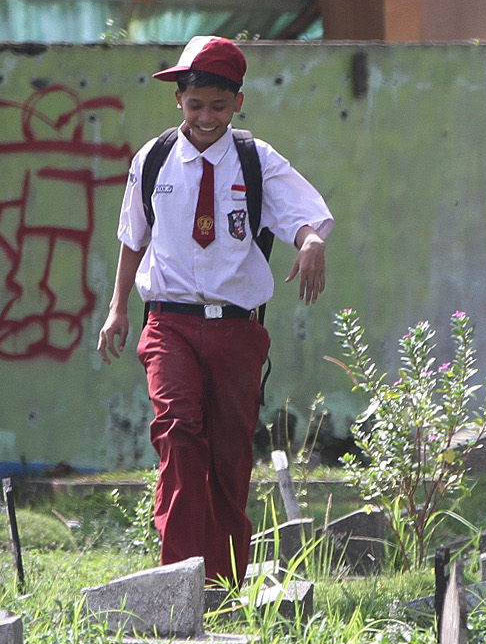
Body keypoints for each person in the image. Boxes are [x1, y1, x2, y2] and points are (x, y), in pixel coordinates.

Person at [97, 35, 333, 585]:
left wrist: (310, 242)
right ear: (178, 100)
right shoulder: (153, 160)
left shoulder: (256, 160)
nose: (207, 117)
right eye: (196, 104)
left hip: (236, 331)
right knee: (178, 435)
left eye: (219, 106)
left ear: (239, 103)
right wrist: (117, 309)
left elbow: (300, 214)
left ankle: (222, 586)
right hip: (169, 323)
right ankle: (178, 580)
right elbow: (133, 238)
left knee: (229, 457)